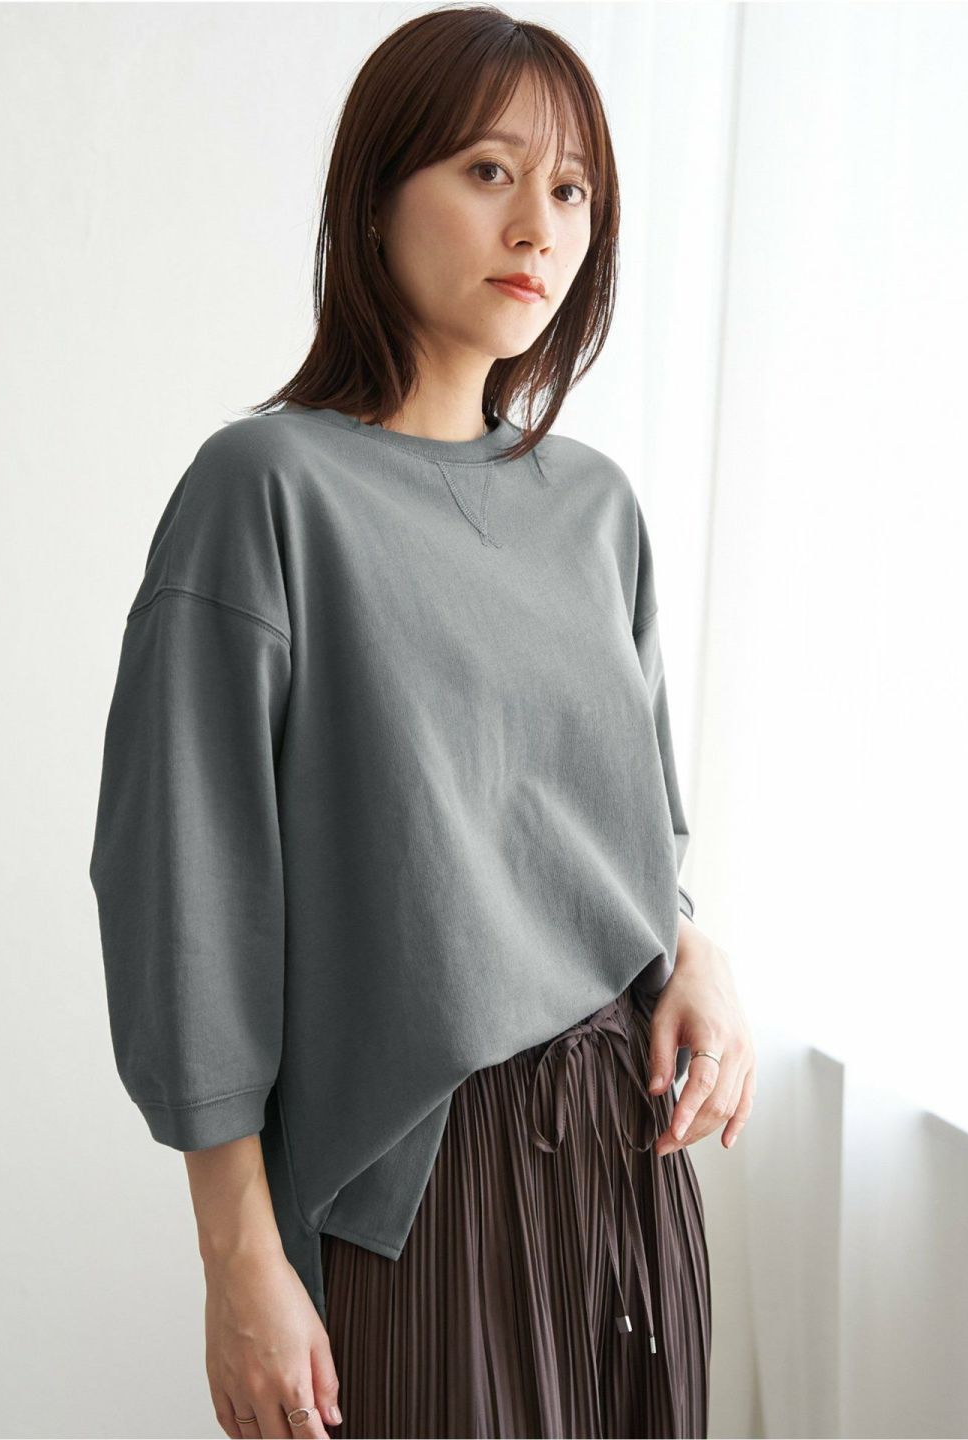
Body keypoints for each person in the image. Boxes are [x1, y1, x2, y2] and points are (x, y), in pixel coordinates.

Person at [89, 6, 756, 1438]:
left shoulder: (596, 508)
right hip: (419, 1179)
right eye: (488, 171)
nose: (538, 227)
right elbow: (183, 893)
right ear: (376, 196)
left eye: (572, 190)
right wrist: (238, 1257)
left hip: (629, 1158)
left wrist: (692, 948)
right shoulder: (265, 491)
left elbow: (625, 821)